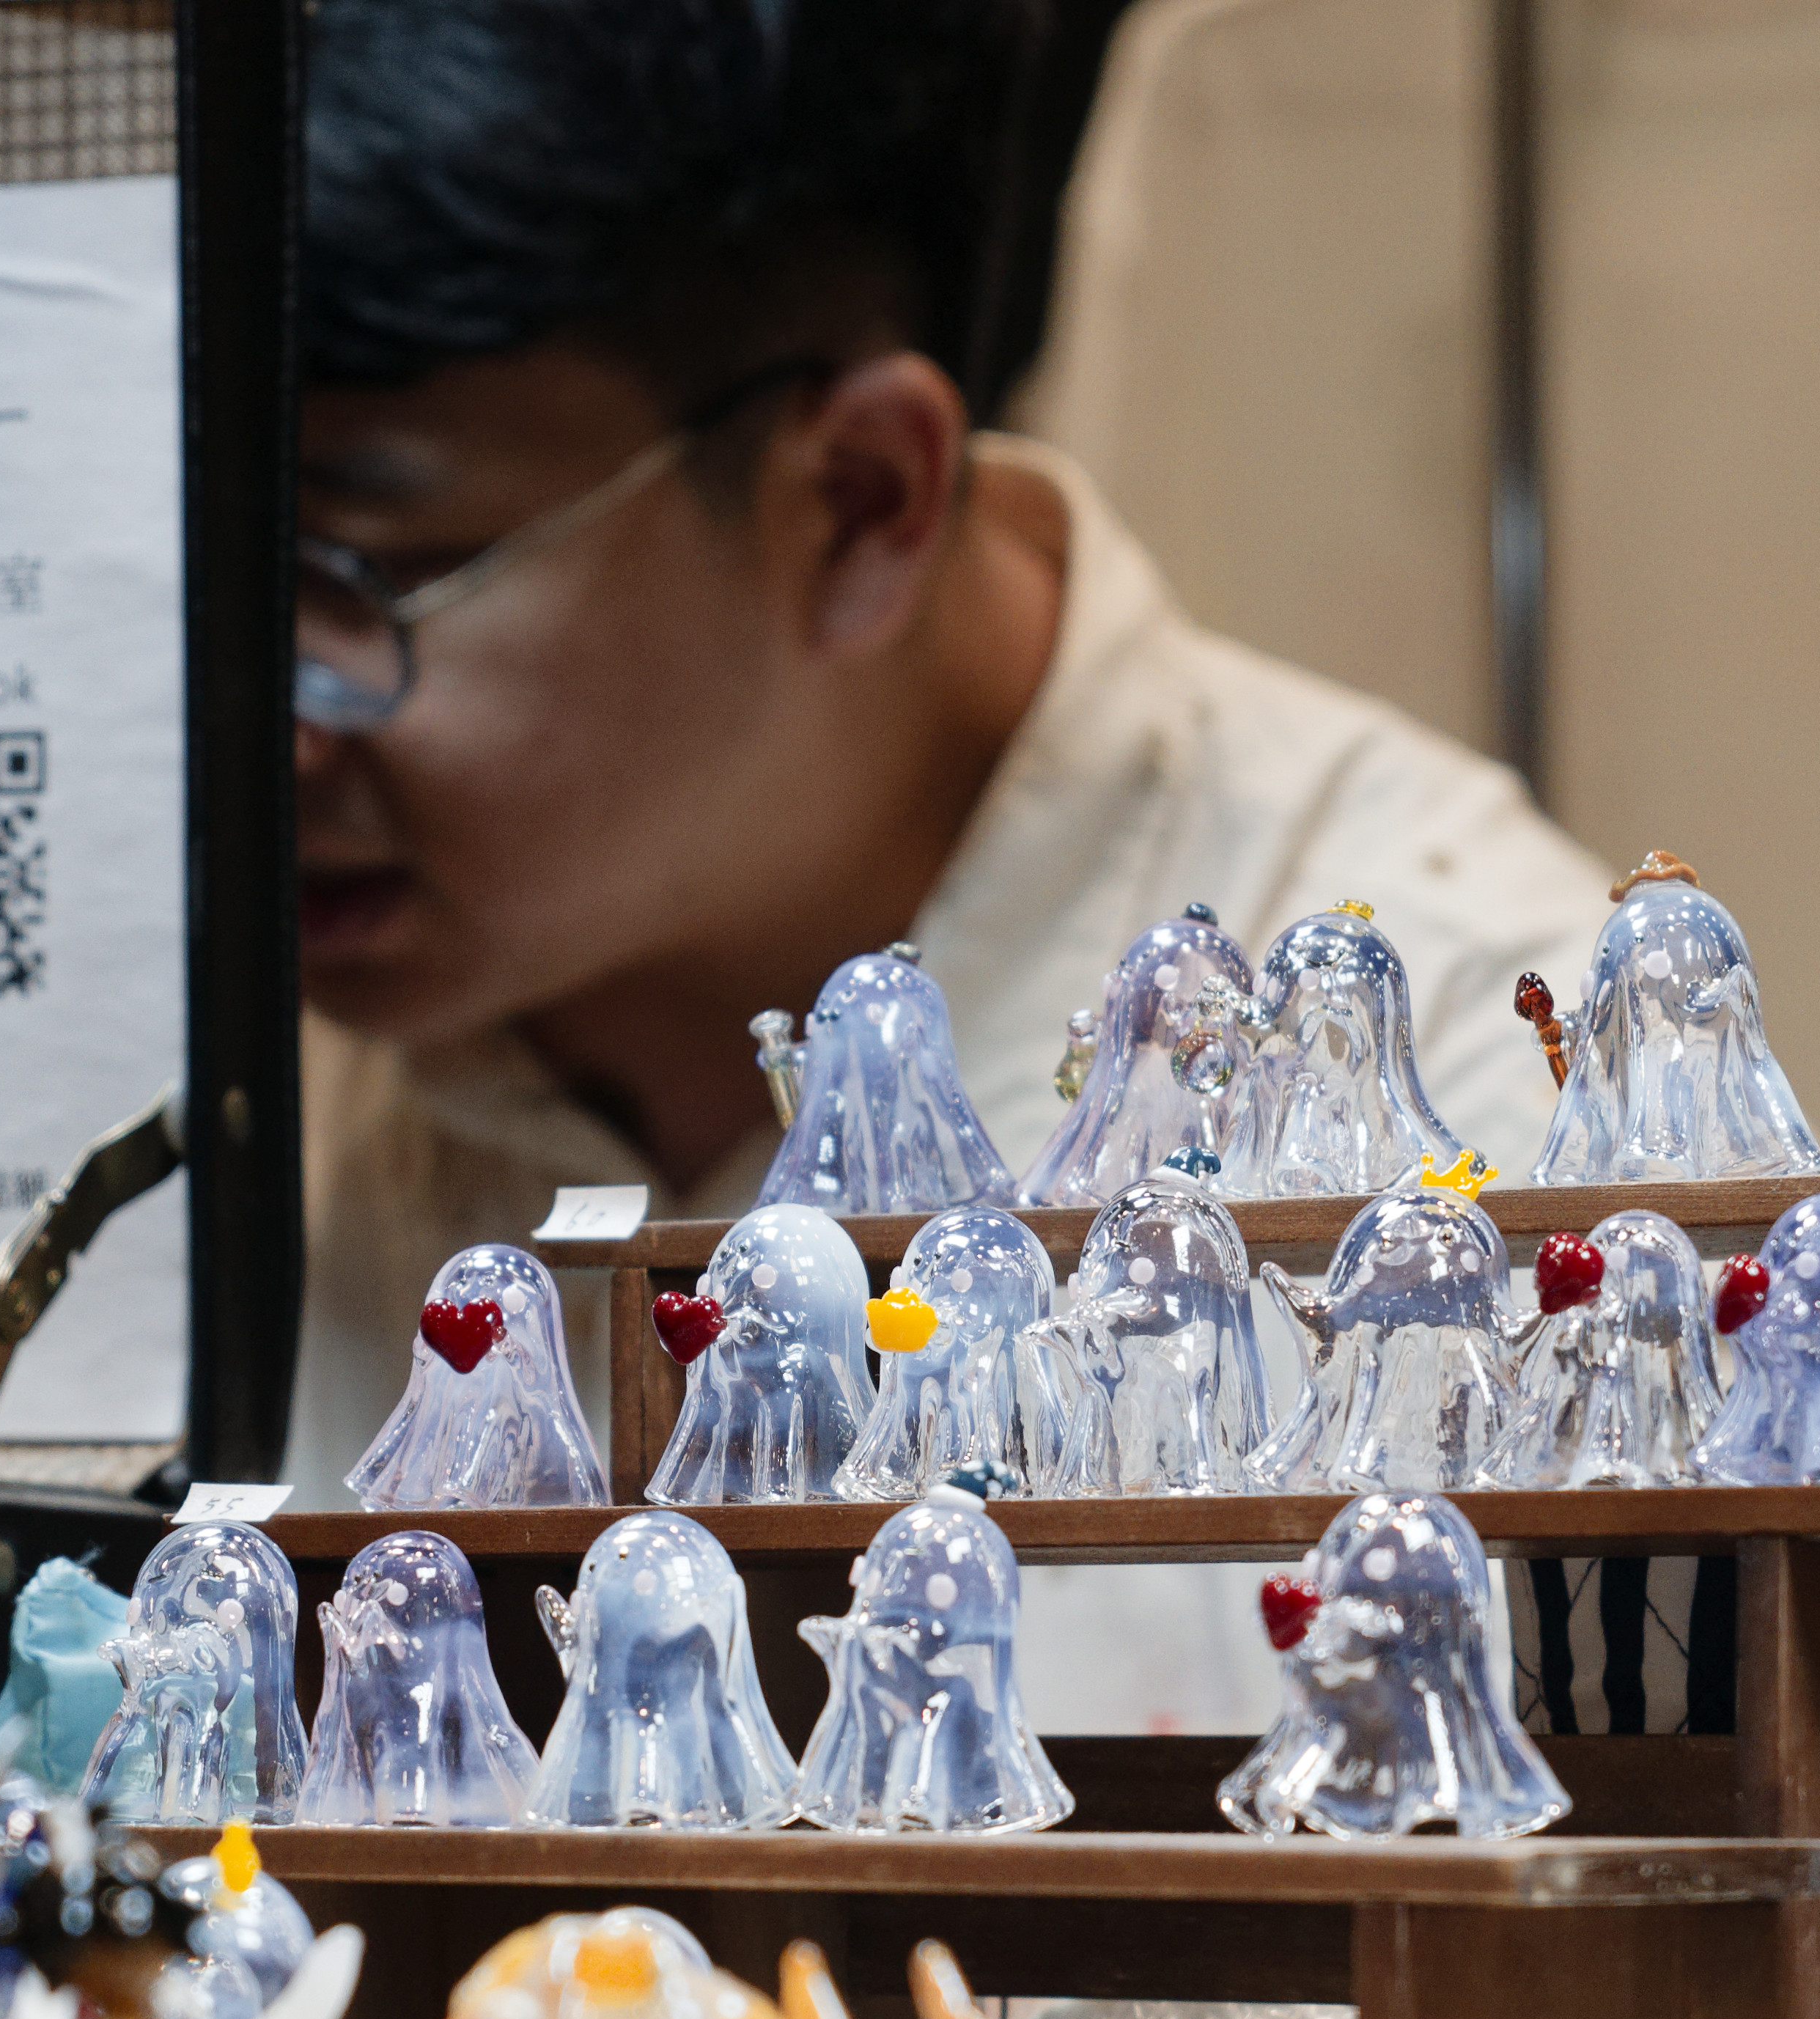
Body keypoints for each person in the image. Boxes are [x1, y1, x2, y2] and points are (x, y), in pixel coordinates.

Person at [287, 0, 1612, 1504]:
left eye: (358, 576)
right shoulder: (186, 1075)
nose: (248, 733)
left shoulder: (1483, 1108)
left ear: (857, 501)